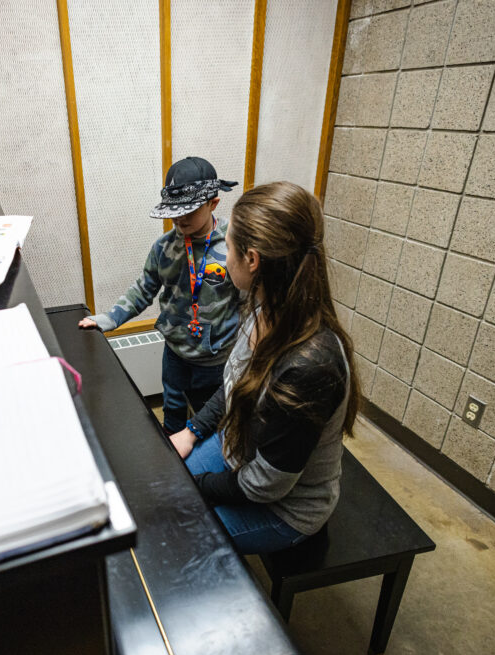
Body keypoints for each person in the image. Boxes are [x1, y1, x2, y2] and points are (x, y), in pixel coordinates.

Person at [169, 181, 360, 555]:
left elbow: (263, 485)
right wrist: (191, 431)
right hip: (240, 451)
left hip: (284, 507)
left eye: (231, 248)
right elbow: (234, 386)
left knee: (178, 535)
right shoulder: (263, 307)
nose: (226, 259)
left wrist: (201, 487)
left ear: (252, 260)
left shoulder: (310, 369)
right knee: (161, 490)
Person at [79, 157, 242, 434]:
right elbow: (144, 288)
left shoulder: (234, 246)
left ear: (213, 203)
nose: (179, 218)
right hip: (175, 354)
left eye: (189, 211)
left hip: (216, 361)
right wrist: (109, 318)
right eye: (174, 211)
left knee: (209, 424)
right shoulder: (164, 247)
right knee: (173, 413)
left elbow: (250, 303)